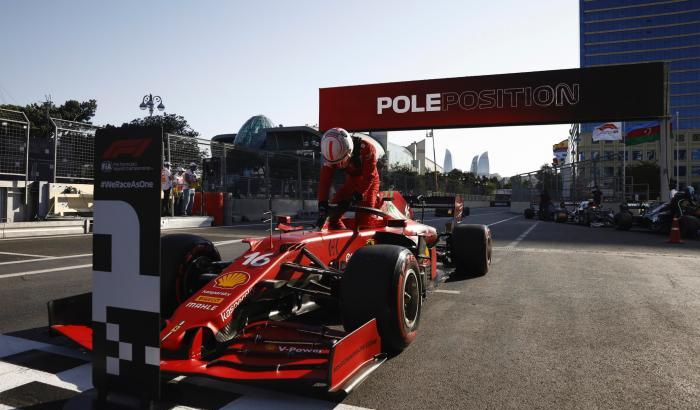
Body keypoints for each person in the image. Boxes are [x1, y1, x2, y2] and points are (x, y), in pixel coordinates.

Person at [317, 128, 379, 229]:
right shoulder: (330, 154)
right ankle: (344, 238)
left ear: (349, 151)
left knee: (364, 220)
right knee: (331, 217)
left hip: (369, 182)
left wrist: (355, 197)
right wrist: (322, 203)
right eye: (335, 163)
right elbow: (325, 181)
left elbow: (369, 177)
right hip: (352, 180)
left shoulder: (367, 149)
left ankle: (366, 242)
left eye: (341, 161)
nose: (338, 165)